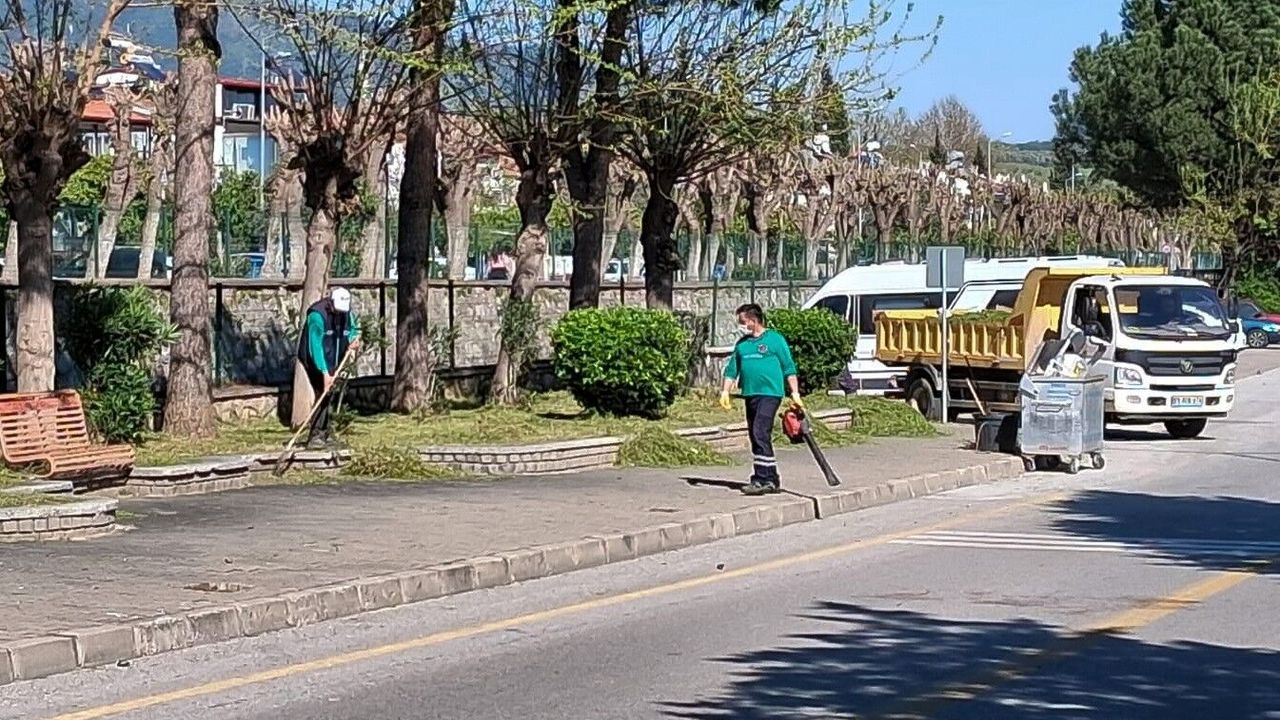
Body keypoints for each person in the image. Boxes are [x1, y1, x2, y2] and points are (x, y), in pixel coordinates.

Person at [719, 303, 802, 495]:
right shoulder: (743, 344)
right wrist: (725, 391)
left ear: (753, 320)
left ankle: (761, 478)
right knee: (755, 435)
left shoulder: (774, 340)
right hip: (750, 394)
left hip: (770, 394)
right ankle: (771, 477)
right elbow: (732, 370)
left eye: (743, 321)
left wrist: (795, 393)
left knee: (760, 431)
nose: (741, 325)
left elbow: (788, 367)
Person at [297, 287, 361, 449]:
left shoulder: (345, 312)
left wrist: (353, 339)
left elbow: (352, 329)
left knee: (329, 393)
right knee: (322, 391)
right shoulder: (317, 316)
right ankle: (315, 435)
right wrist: (324, 373)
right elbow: (315, 347)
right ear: (330, 303)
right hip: (315, 359)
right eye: (337, 310)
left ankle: (324, 432)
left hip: (334, 358)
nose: (339, 314)